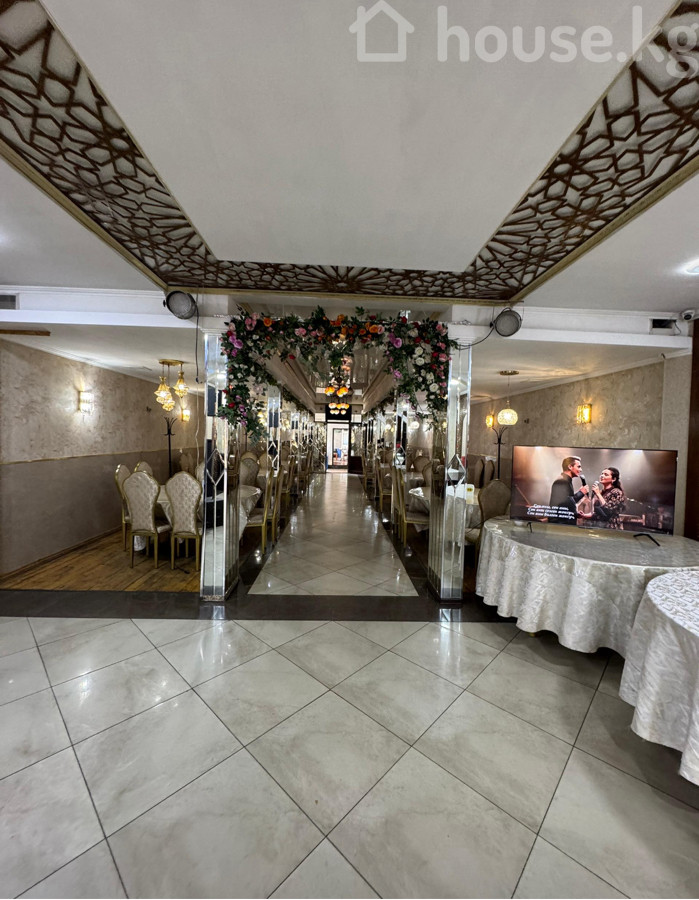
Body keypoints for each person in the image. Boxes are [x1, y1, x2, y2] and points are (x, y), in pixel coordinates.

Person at [549, 456, 589, 523]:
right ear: (570, 466)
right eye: (578, 467)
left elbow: (566, 505)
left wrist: (575, 514)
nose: (581, 470)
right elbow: (564, 504)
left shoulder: (566, 481)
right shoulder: (561, 481)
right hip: (561, 525)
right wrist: (581, 493)